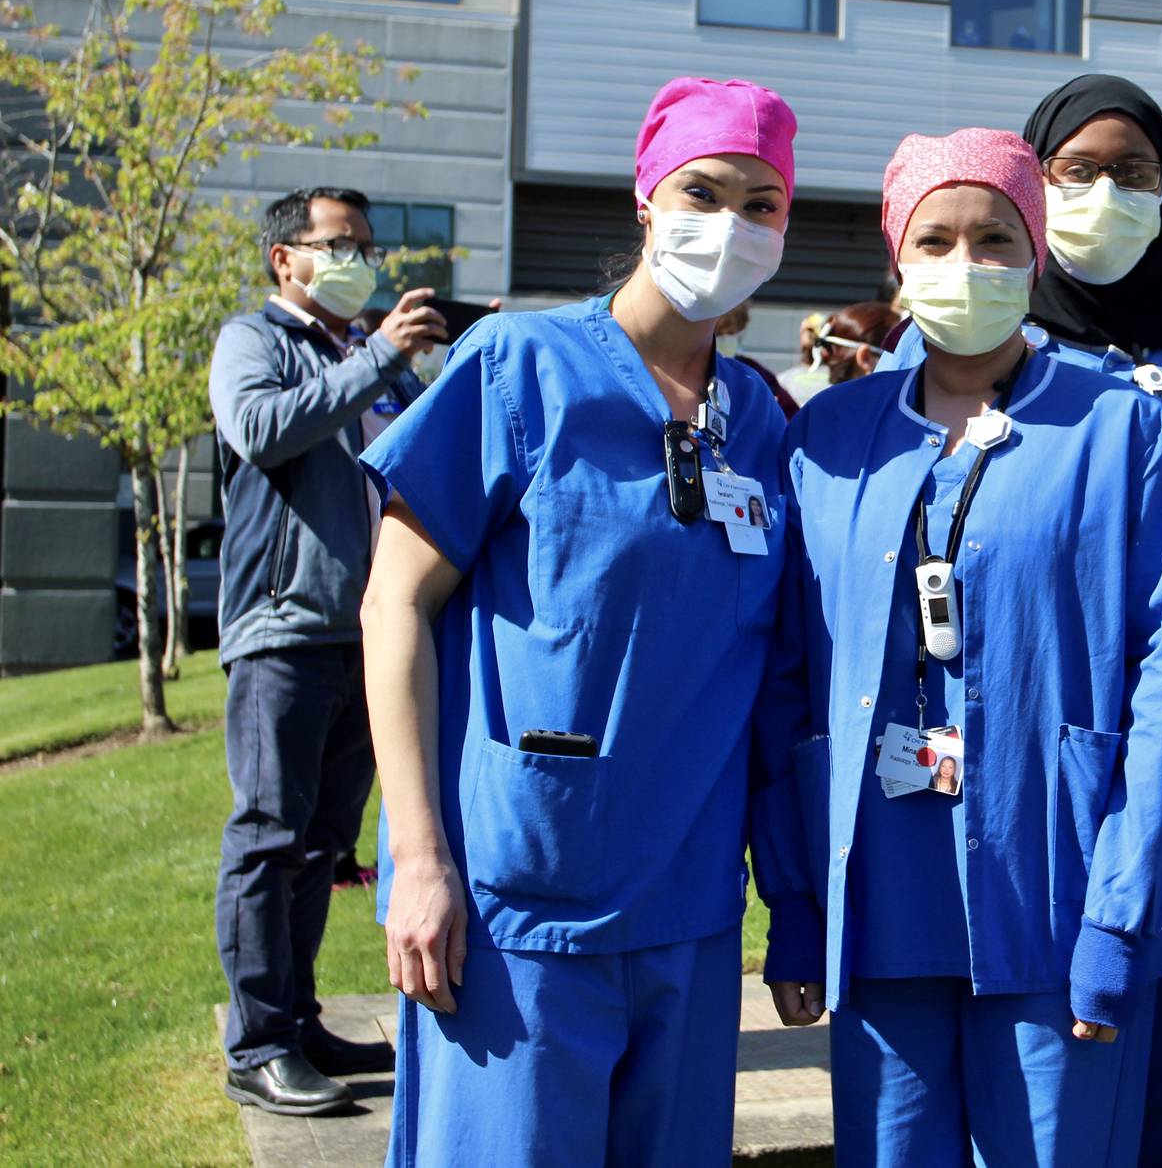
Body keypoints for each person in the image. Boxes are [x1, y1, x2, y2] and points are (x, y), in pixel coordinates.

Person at [357, 76, 797, 1162]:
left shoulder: (761, 426)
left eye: (762, 203)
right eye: (704, 190)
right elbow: (392, 605)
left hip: (690, 907)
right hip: (519, 901)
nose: (731, 224)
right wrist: (417, 859)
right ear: (647, 201)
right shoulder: (519, 366)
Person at [753, 127, 1162, 1167]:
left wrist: (1119, 919)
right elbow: (787, 685)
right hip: (877, 897)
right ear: (896, 262)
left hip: (1051, 886)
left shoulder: (1121, 427)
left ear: (1037, 250)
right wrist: (793, 908)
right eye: (938, 238)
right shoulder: (827, 435)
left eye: (997, 238)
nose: (968, 264)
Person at [878, 74, 1162, 1165]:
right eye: (1078, 171)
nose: (1107, 193)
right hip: (1032, 806)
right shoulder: (960, 361)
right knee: (1043, 1095)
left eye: (1135, 173)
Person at [209, 187, 443, 1115]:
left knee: (320, 846)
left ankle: (298, 1020)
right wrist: (381, 352)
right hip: (283, 627)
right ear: (286, 259)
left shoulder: (366, 357)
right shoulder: (251, 341)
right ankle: (256, 1041)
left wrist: (455, 362)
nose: (361, 259)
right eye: (340, 244)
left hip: (366, 638)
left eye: (366, 246)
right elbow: (262, 428)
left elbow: (424, 450)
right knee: (268, 836)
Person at [717, 299, 803, 418]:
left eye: (732, 334)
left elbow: (791, 415)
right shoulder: (691, 370)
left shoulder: (755, 372)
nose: (726, 340)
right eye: (719, 334)